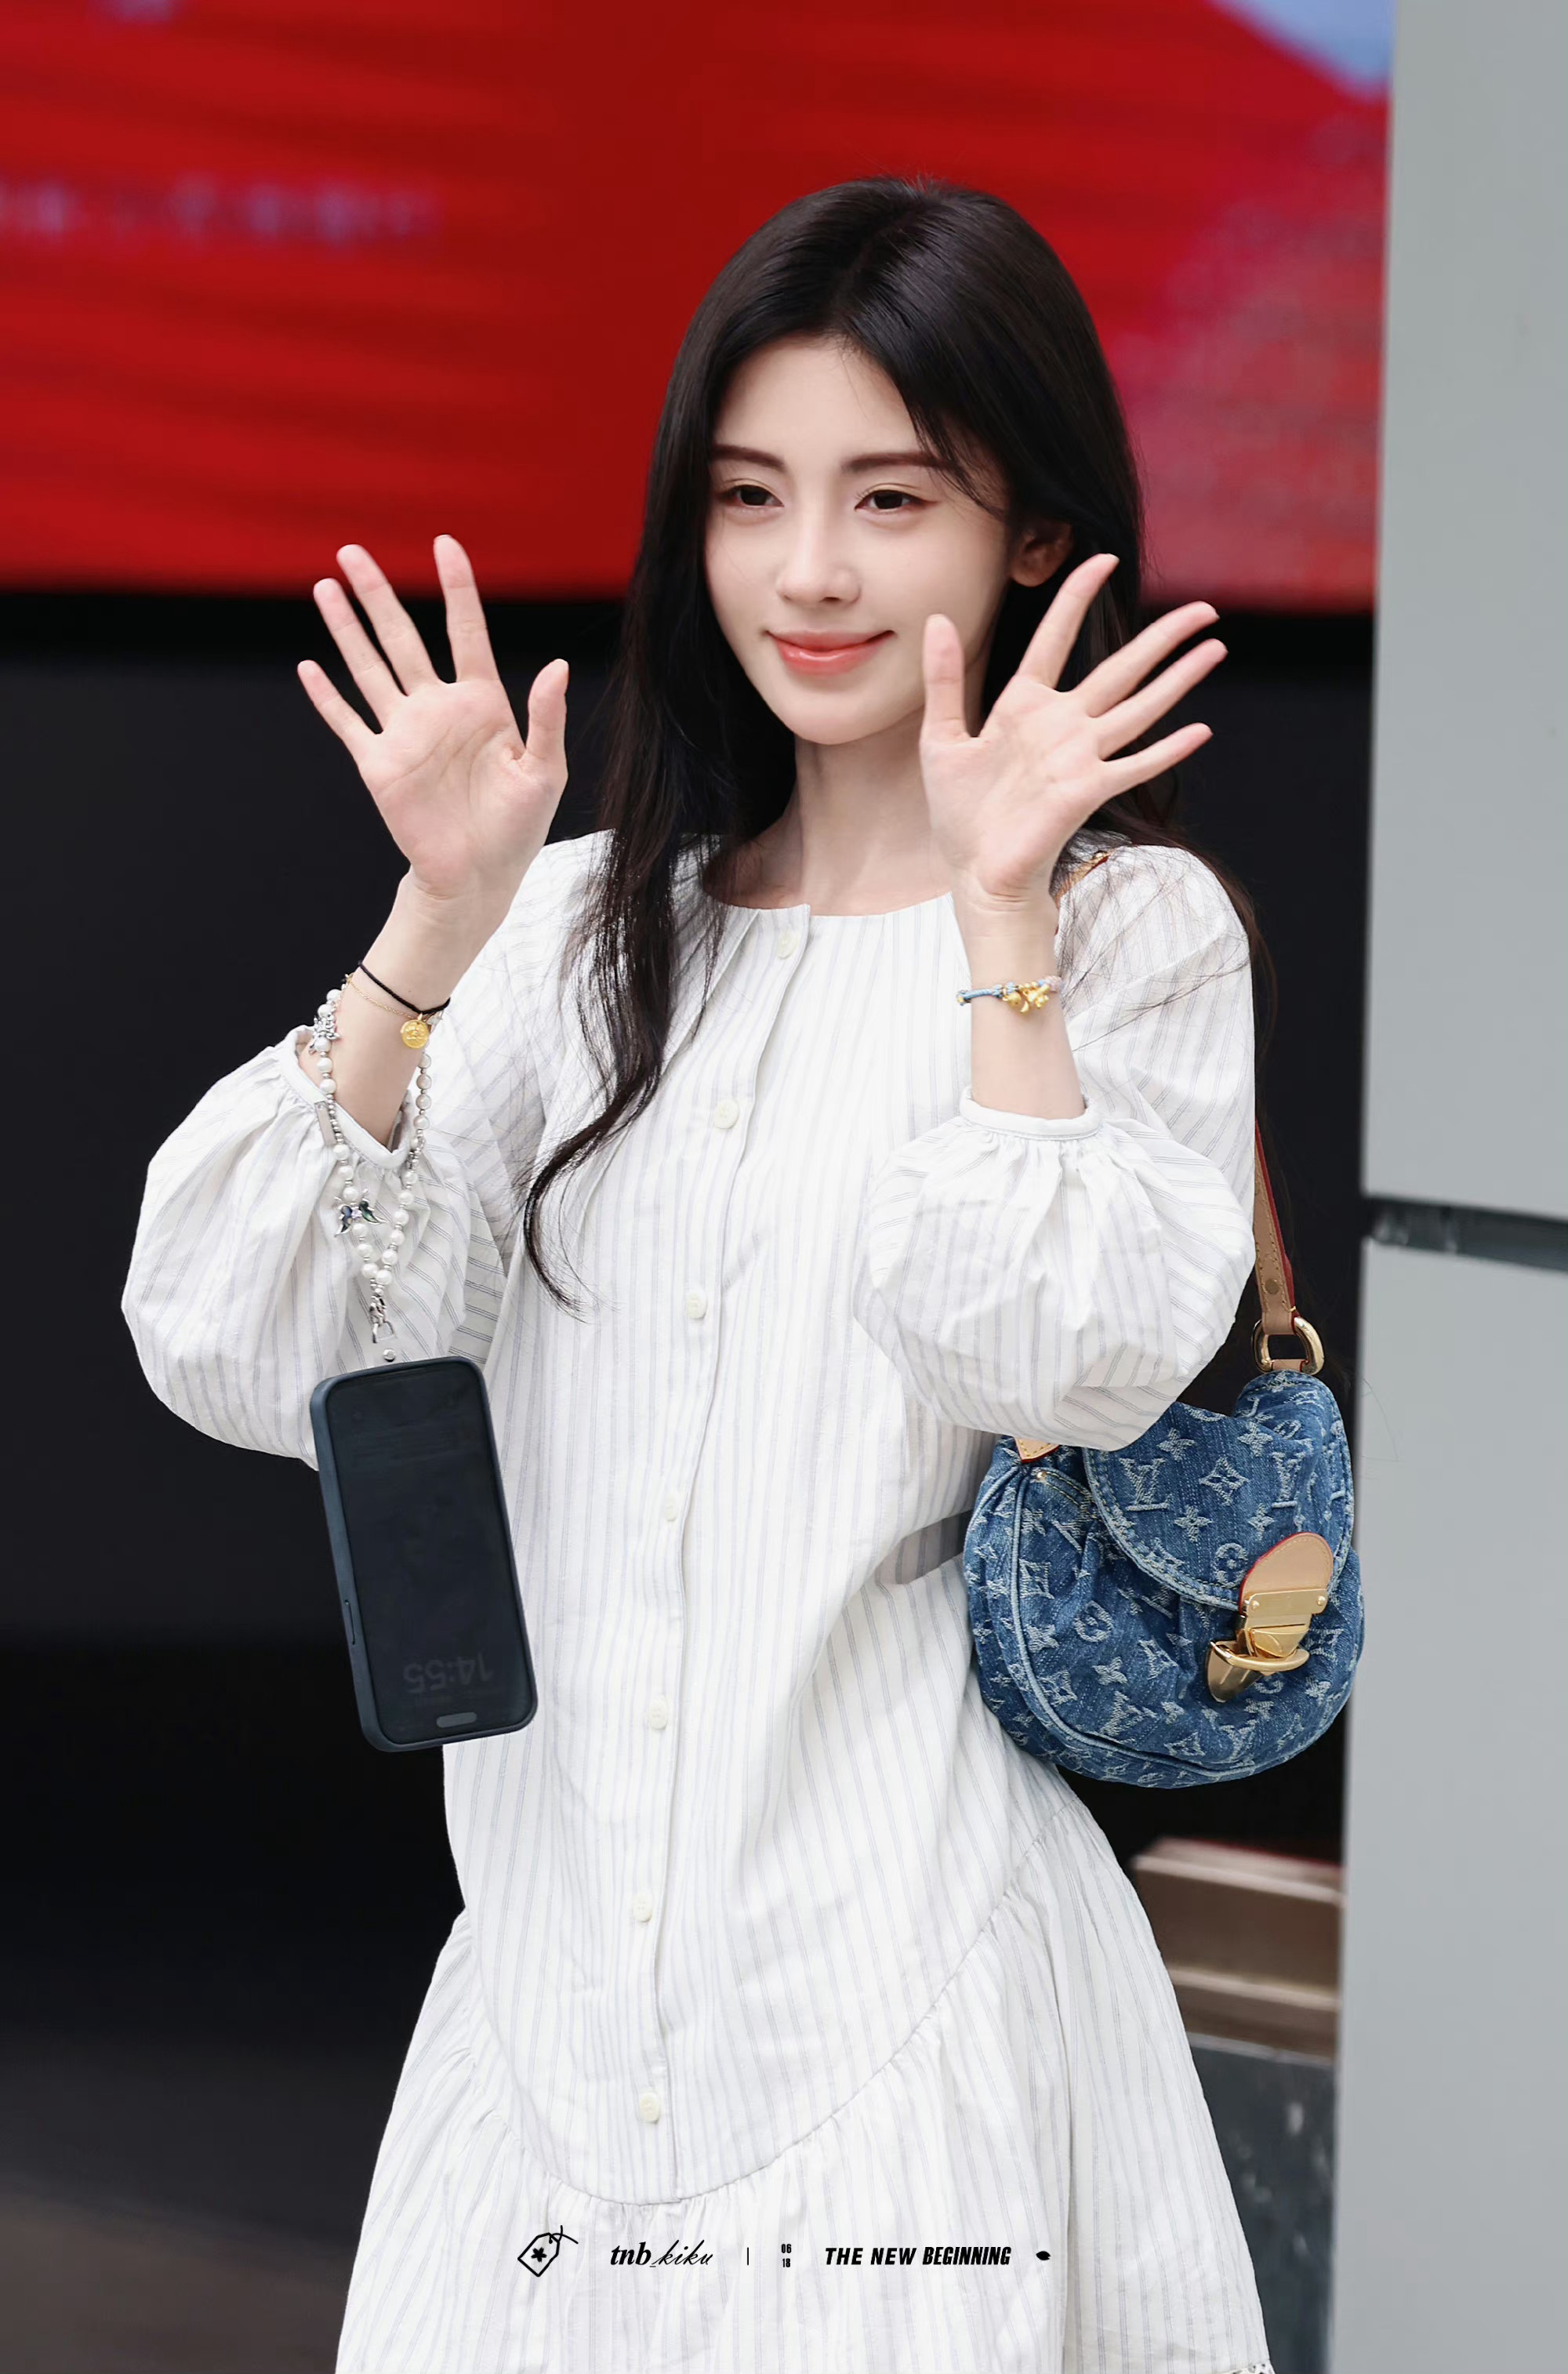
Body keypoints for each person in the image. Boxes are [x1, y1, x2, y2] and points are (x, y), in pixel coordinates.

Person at [122, 178, 1272, 2374]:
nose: (809, 570)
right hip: (547, 2037)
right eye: (751, 497)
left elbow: (1072, 1349)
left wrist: (1001, 918)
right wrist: (432, 926)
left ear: (1032, 534)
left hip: (906, 2009)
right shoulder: (574, 931)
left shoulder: (1130, 936)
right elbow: (242, 1340)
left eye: (889, 498)